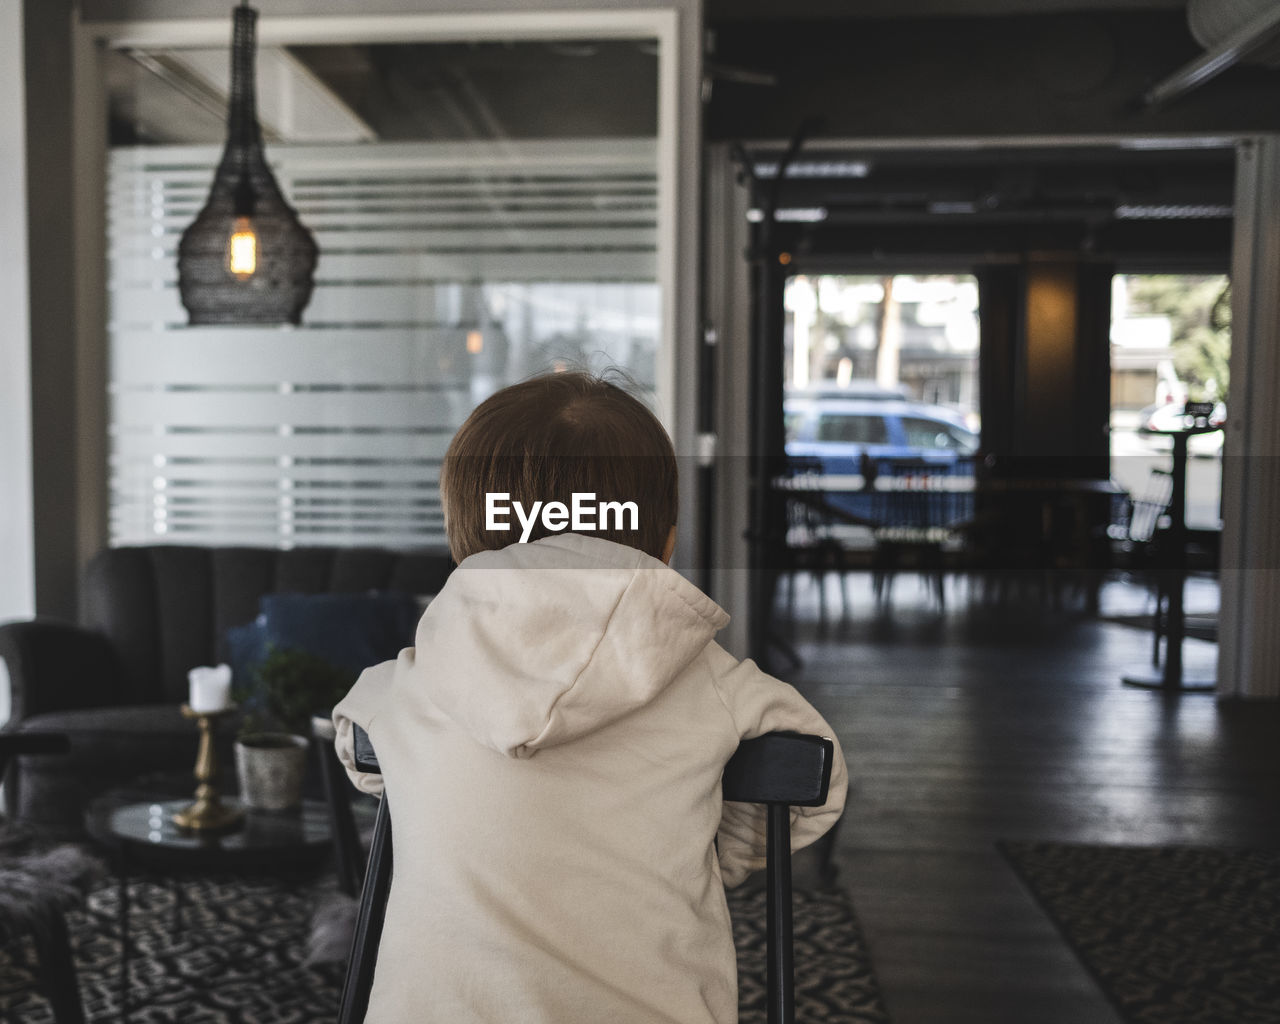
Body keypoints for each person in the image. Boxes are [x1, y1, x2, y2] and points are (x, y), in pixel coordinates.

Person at [333, 370, 847, 1023]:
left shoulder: (411, 683)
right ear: (664, 536)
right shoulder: (713, 682)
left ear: (462, 534)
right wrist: (695, 841)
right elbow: (811, 773)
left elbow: (356, 742)